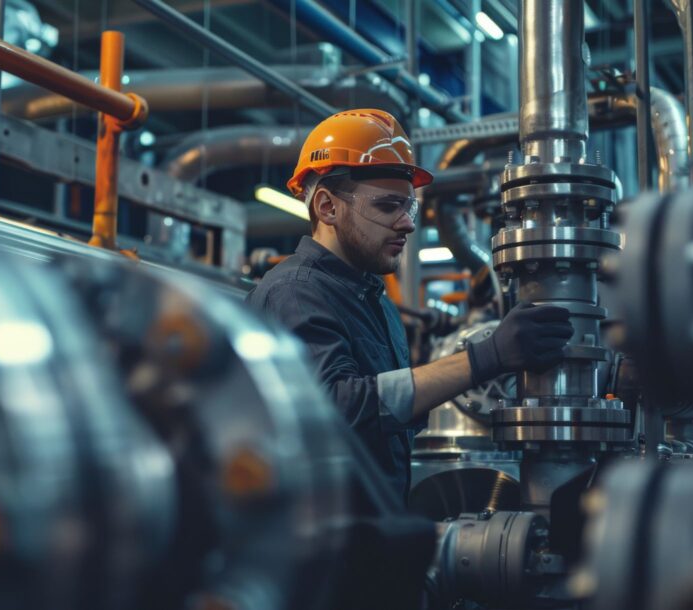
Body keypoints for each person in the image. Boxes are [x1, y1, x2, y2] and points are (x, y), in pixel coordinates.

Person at [246, 109, 573, 502]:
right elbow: (340, 407)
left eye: (409, 207)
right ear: (327, 207)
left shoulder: (375, 303)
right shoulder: (295, 293)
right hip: (315, 544)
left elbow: (389, 422)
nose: (408, 224)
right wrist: (485, 358)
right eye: (388, 207)